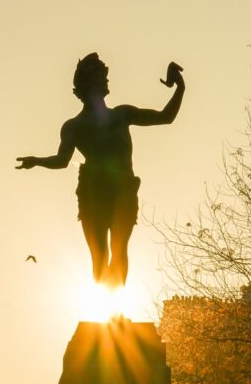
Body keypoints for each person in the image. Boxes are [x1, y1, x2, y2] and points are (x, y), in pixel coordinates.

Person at [16, 53, 185, 288]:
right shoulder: (75, 126)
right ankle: (105, 316)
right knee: (99, 256)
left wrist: (180, 86)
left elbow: (165, 117)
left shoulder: (122, 114)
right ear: (89, 86)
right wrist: (37, 160)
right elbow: (62, 160)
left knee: (118, 248)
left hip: (123, 191)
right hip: (92, 193)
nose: (106, 80)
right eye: (100, 77)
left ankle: (117, 314)